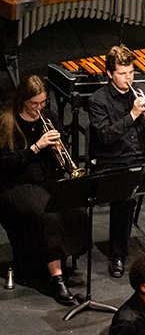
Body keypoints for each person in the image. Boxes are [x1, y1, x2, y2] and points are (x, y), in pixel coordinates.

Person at [88, 44, 145, 278]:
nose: (128, 78)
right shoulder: (98, 100)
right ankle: (118, 254)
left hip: (142, 157)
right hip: (113, 161)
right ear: (109, 74)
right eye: (122, 74)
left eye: (131, 73)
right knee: (125, 198)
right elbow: (105, 137)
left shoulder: (144, 91)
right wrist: (133, 115)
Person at [0, 75, 87, 304]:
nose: (39, 108)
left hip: (46, 179)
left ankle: (60, 258)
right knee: (47, 214)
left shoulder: (50, 118)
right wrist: (36, 147)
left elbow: (59, 160)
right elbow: (7, 164)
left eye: (43, 103)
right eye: (34, 104)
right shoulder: (8, 123)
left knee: (76, 209)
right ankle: (56, 278)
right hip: (16, 184)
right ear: (22, 100)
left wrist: (59, 148)